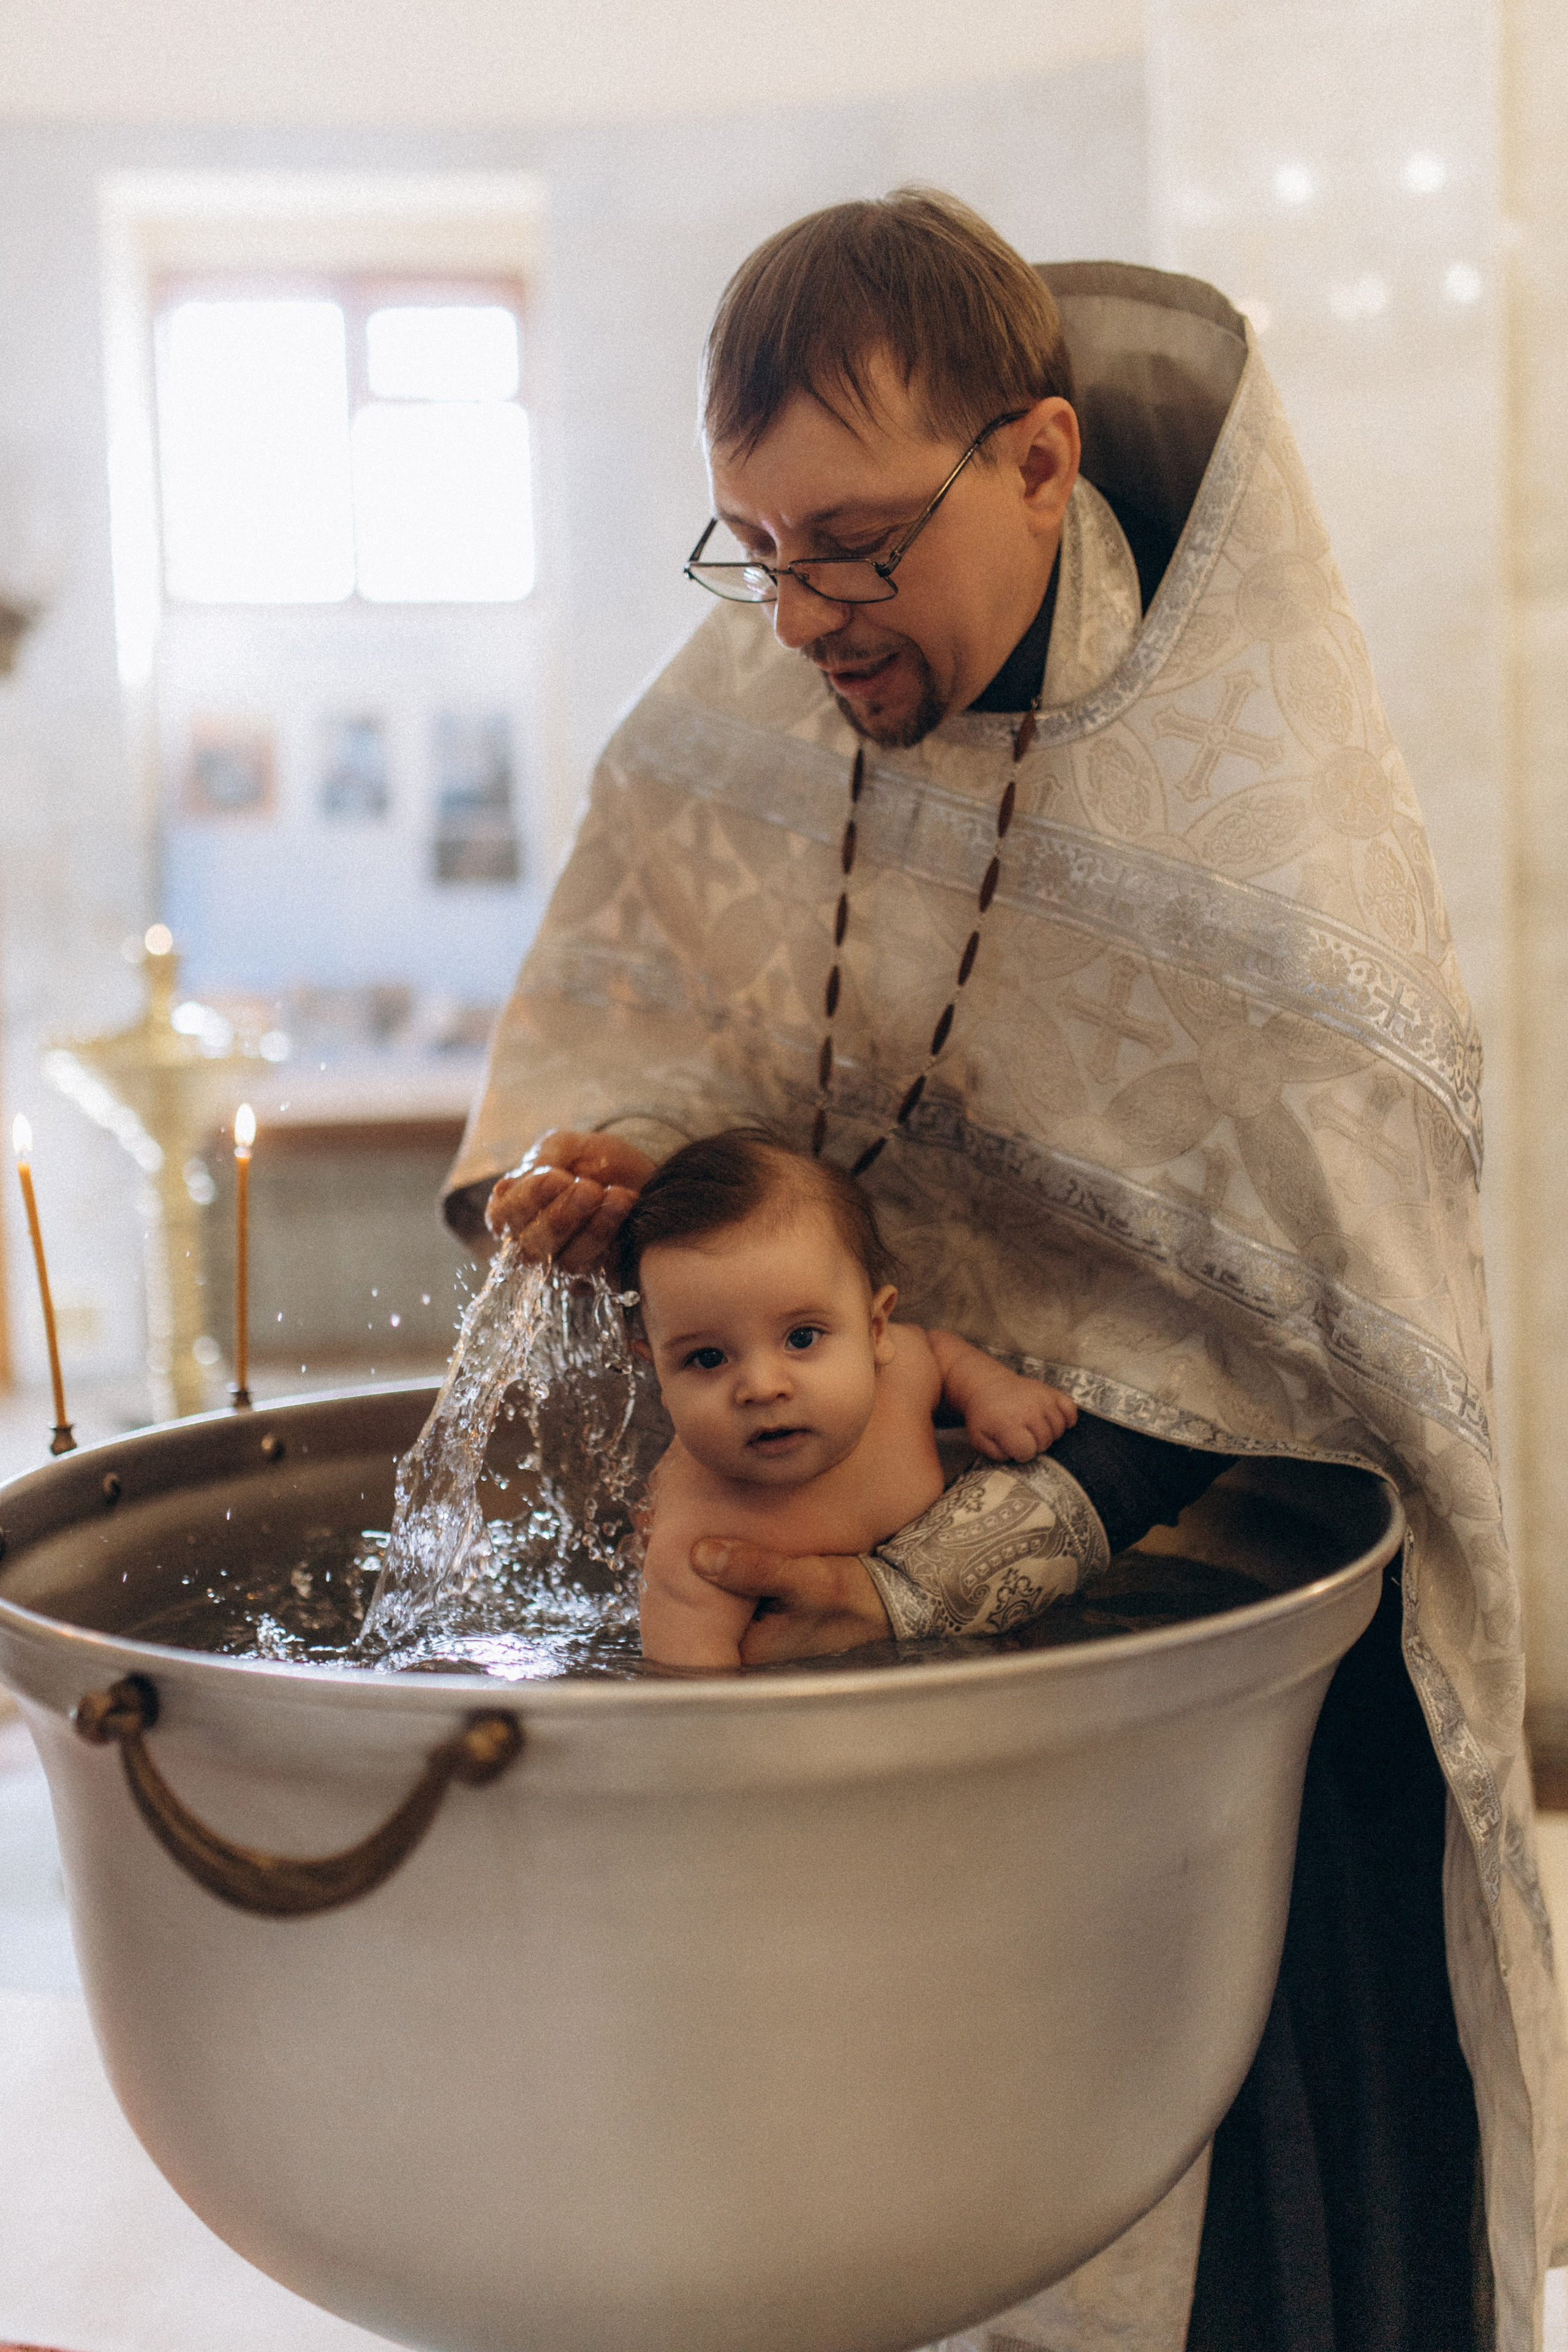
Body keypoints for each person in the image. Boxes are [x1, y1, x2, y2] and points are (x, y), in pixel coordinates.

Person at [443, 193, 1567, 2349]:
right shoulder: (736, 742)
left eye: (854, 546)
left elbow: (1337, 1392)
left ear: (1040, 463)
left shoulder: (1268, 866)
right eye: (754, 550)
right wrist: (618, 1210)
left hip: (1200, 1684)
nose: (798, 621)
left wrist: (948, 1578)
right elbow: (648, 1072)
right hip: (803, 1636)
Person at [621, 1128, 1076, 1665]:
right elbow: (693, 1698)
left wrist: (992, 1390)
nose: (764, 1388)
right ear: (657, 1377)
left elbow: (939, 1352)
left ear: (877, 1329)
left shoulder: (902, 1375)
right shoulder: (700, 1545)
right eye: (707, 1359)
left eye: (802, 1338)